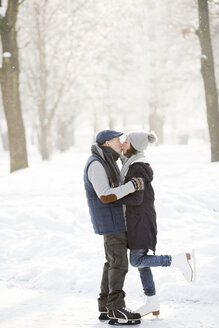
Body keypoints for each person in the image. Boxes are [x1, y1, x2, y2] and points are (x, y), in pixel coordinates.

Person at [100, 131, 196, 317]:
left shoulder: (137, 168)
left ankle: (176, 260)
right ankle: (152, 301)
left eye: (126, 142)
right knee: (142, 263)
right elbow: (120, 157)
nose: (123, 144)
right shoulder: (132, 163)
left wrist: (112, 198)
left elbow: (136, 198)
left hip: (141, 221)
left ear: (134, 146)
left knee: (137, 260)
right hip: (137, 220)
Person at [83, 129, 143, 323]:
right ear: (107, 143)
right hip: (110, 220)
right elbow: (105, 195)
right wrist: (132, 186)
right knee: (119, 263)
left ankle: (105, 306)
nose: (121, 142)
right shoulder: (96, 164)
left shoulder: (108, 161)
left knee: (112, 262)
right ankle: (116, 309)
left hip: (114, 218)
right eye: (118, 140)